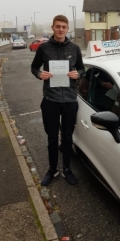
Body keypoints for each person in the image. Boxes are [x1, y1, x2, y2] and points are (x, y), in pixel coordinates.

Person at [31, 15, 84, 185]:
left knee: (67, 138)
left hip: (69, 100)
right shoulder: (44, 48)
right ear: (52, 28)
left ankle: (67, 169)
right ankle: (52, 170)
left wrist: (79, 74)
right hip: (51, 100)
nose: (61, 29)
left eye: (64, 27)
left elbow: (82, 68)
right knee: (52, 137)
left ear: (67, 29)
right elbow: (34, 67)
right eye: (58, 26)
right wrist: (40, 74)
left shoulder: (75, 49)